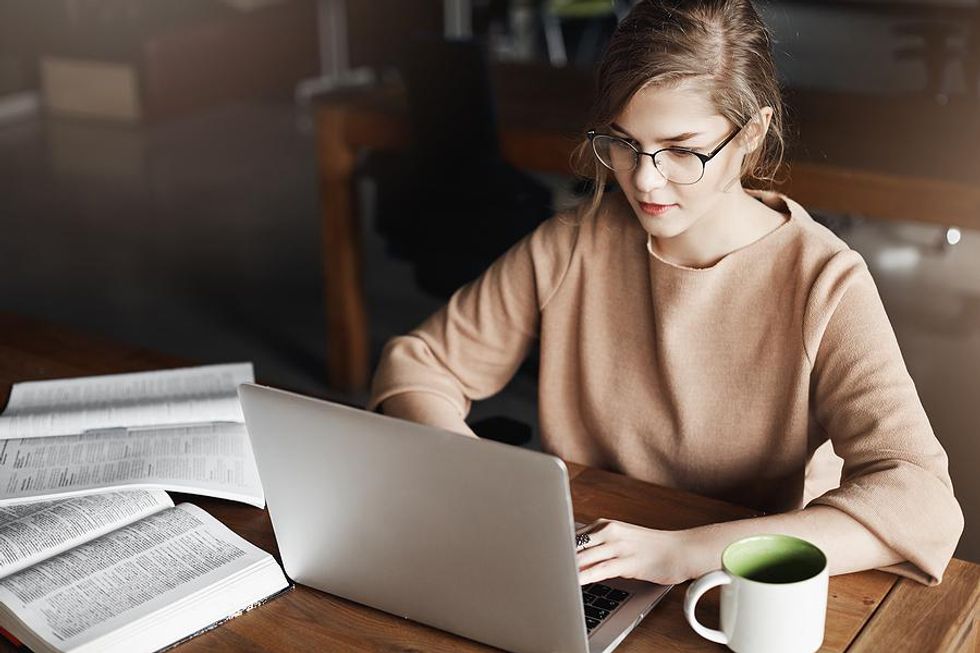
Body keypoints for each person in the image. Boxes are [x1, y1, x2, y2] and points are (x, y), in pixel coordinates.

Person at [368, 0, 963, 587]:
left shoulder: (824, 280)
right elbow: (418, 366)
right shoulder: (572, 245)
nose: (645, 180)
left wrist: (683, 554)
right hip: (591, 561)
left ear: (752, 134)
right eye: (623, 143)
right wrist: (489, 482)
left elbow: (922, 501)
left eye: (682, 150)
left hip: (746, 580)